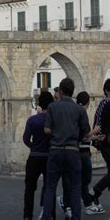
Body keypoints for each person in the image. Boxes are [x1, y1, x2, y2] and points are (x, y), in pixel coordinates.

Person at [41, 78, 91, 220]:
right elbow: (86, 132)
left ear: (61, 91)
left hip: (56, 150)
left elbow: (46, 130)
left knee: (51, 187)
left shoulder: (52, 107)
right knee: (75, 187)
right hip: (73, 151)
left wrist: (57, 131)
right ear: (72, 92)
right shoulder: (79, 109)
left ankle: (46, 217)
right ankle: (76, 217)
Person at [58, 91, 105, 216]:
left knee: (82, 179)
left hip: (80, 150)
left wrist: (95, 137)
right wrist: (94, 132)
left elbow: (83, 136)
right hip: (81, 152)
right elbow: (83, 135)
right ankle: (84, 203)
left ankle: (76, 202)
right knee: (83, 179)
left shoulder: (74, 112)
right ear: (88, 103)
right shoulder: (80, 113)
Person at [22, 91, 54, 220]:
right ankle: (50, 214)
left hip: (34, 156)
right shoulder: (53, 120)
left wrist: (33, 146)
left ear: (39, 103)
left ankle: (27, 216)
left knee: (29, 188)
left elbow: (25, 139)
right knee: (49, 187)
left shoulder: (32, 120)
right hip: (49, 156)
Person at [91, 78, 110, 209]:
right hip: (106, 142)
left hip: (103, 141)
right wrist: (102, 137)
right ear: (107, 91)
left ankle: (95, 193)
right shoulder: (107, 103)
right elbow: (102, 123)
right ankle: (95, 192)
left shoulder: (103, 103)